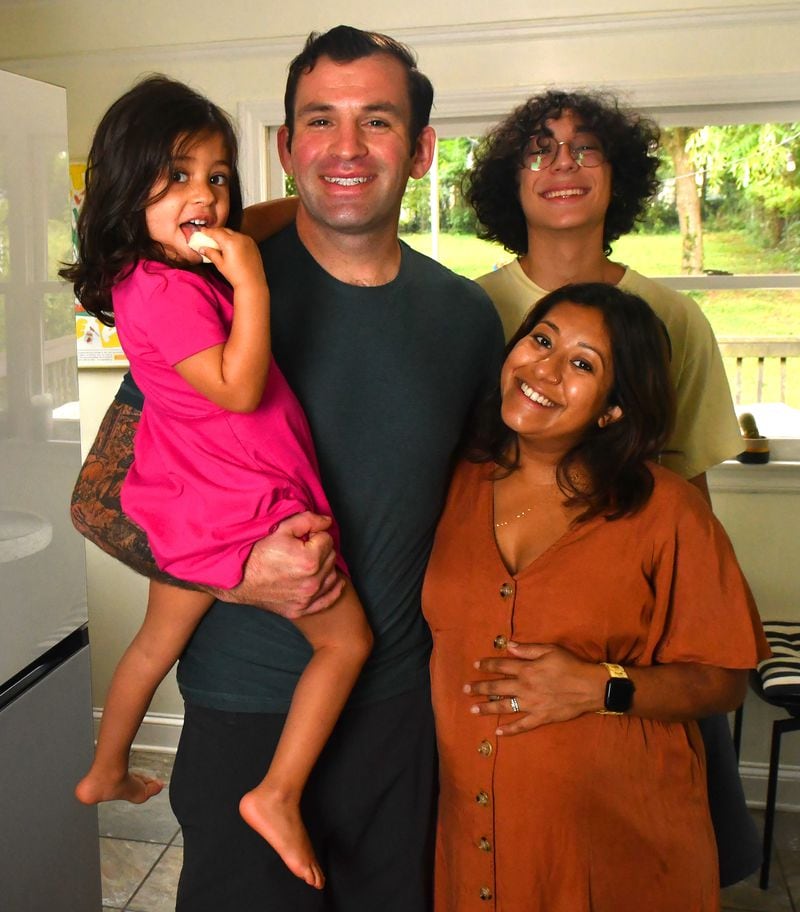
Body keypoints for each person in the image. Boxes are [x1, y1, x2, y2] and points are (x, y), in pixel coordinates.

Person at [69, 27, 504, 912]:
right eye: (320, 120)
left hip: (398, 714)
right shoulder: (216, 288)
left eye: (376, 121)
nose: (346, 148)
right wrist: (237, 578)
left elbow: (482, 506)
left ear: (419, 150)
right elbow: (97, 500)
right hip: (243, 712)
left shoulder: (467, 319)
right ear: (285, 146)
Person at [60, 75, 374, 891]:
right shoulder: (168, 292)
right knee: (347, 643)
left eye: (218, 175)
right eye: (177, 175)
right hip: (244, 504)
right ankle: (277, 793)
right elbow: (240, 388)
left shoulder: (151, 272)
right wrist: (255, 282)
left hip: (195, 503)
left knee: (151, 648)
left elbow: (245, 222)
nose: (204, 195)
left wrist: (255, 226)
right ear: (129, 188)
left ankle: (106, 769)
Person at [464, 90, 760, 886]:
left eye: (585, 147)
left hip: (628, 635)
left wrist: (627, 681)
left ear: (618, 174)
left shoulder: (672, 318)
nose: (562, 164)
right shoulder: (468, 312)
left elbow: (688, 489)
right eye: (540, 149)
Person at [423, 282, 769, 912]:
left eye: (583, 364)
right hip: (475, 842)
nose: (544, 369)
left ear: (614, 409)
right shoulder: (451, 482)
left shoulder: (667, 512)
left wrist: (601, 685)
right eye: (541, 339)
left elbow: (722, 679)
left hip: (622, 848)